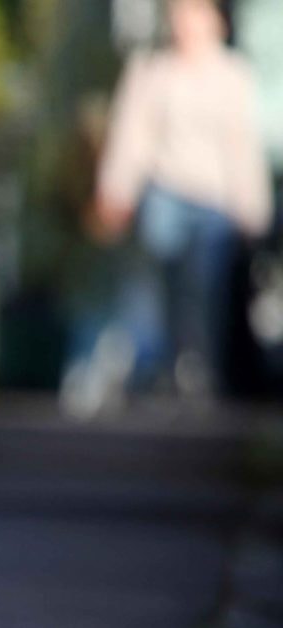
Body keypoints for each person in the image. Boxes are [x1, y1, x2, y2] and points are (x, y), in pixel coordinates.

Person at [83, 0, 272, 408]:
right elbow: (132, 136)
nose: (184, 21)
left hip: (213, 200)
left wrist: (253, 207)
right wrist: (115, 191)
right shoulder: (154, 70)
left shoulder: (231, 75)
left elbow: (242, 147)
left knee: (204, 291)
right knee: (158, 287)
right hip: (164, 192)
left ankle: (199, 371)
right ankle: (160, 368)